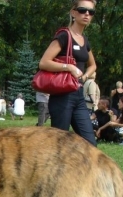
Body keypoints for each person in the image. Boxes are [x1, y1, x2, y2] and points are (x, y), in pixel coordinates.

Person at [38, 0, 97, 146]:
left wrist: (84, 76)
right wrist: (68, 67)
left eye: (91, 12)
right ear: (73, 12)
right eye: (83, 10)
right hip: (62, 96)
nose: (87, 14)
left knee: (90, 144)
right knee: (59, 145)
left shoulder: (85, 40)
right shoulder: (64, 35)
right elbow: (44, 62)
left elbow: (93, 65)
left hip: (79, 95)